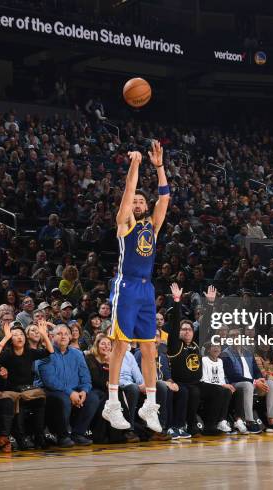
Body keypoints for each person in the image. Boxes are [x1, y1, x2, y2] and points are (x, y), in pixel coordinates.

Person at [103, 141, 169, 434]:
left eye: (143, 202)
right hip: (126, 285)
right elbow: (129, 192)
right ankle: (112, 403)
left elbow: (164, 199)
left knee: (150, 349)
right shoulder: (125, 222)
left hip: (146, 289)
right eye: (137, 202)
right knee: (120, 344)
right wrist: (136, 165)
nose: (140, 204)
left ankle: (149, 405)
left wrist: (159, 167)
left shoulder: (152, 227)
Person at [166, 284, 226, 437]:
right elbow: (174, 324)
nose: (187, 331)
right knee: (193, 392)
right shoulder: (175, 345)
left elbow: (206, 326)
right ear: (179, 332)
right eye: (184, 329)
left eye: (190, 329)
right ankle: (191, 425)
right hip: (181, 383)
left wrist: (211, 304)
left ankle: (210, 425)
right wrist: (177, 300)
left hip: (197, 382)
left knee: (219, 390)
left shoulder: (195, 344)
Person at [34, 324, 100, 447]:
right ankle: (62, 436)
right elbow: (50, 381)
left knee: (93, 398)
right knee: (63, 399)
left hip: (74, 390)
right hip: (50, 391)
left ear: (70, 337)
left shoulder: (78, 354)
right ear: (51, 336)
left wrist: (84, 391)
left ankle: (78, 434)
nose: (63, 336)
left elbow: (85, 377)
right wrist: (70, 393)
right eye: (59, 334)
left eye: (66, 334)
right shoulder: (44, 354)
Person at [0, 321, 52, 449]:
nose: (19, 337)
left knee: (41, 400)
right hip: (11, 390)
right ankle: (21, 437)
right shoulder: (8, 354)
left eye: (21, 334)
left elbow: (49, 351)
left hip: (27, 390)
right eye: (15, 335)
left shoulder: (29, 352)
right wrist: (6, 337)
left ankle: (39, 436)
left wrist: (43, 335)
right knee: (19, 401)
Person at [134, 328, 188, 439]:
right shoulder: (140, 353)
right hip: (147, 386)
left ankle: (177, 426)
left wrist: (172, 382)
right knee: (163, 387)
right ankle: (163, 428)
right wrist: (165, 383)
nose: (155, 339)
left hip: (161, 384)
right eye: (152, 335)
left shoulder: (163, 355)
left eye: (157, 336)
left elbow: (167, 375)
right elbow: (141, 377)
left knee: (183, 390)